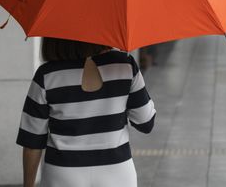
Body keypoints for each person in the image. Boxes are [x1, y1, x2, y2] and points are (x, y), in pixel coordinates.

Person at [16, 37, 156, 187]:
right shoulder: (124, 65)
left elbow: (32, 143)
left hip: (62, 175)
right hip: (117, 174)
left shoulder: (46, 74)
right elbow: (146, 123)